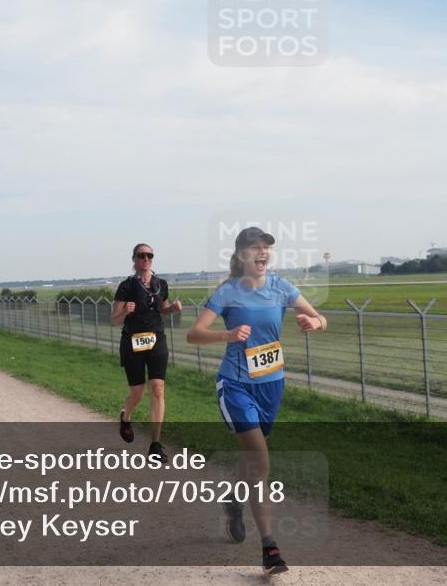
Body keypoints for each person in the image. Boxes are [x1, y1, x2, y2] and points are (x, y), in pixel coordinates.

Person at [186, 227, 327, 576]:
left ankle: (234, 501)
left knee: (251, 460)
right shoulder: (227, 292)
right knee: (260, 462)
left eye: (266, 247)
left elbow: (321, 318)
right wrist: (228, 334)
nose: (263, 252)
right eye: (255, 247)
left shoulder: (281, 287)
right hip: (235, 386)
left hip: (271, 386)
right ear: (241, 255)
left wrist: (314, 322)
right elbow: (194, 334)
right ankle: (270, 548)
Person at [109, 243, 182, 462]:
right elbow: (113, 321)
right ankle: (126, 416)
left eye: (149, 255)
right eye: (141, 255)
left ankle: (155, 445)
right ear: (134, 259)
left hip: (156, 340)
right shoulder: (126, 286)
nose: (146, 258)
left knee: (157, 388)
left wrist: (172, 309)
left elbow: (162, 310)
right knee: (138, 393)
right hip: (132, 342)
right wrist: (124, 311)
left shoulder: (161, 284)